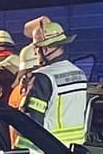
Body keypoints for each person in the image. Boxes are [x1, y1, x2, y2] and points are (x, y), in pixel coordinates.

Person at [11, 17, 89, 147]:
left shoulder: (42, 77)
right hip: (74, 151)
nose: (36, 54)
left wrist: (19, 153)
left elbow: (31, 123)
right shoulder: (80, 73)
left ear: (45, 49)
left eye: (36, 48)